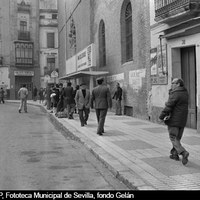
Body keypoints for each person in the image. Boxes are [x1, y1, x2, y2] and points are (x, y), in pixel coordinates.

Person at [159, 78, 189, 165]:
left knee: (173, 137)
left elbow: (169, 106)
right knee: (177, 139)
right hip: (182, 120)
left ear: (178, 84)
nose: (171, 84)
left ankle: (183, 152)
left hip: (174, 120)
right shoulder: (185, 93)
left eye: (173, 83)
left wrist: (161, 116)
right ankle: (174, 154)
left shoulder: (175, 94)